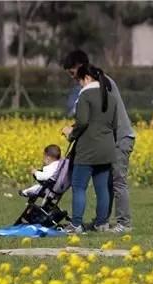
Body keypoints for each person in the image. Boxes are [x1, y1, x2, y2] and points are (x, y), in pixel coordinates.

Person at [62, 50, 135, 233]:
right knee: (105, 184)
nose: (73, 78)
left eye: (73, 73)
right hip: (109, 138)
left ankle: (123, 223)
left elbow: (95, 117)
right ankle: (101, 222)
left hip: (118, 137)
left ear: (80, 67)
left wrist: (74, 131)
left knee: (117, 182)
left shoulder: (100, 84)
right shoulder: (101, 81)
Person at [60, 65, 118, 234]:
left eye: (79, 80)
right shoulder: (110, 96)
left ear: (86, 78)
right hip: (106, 148)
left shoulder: (85, 95)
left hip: (87, 149)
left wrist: (70, 133)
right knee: (102, 189)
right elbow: (114, 125)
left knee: (79, 187)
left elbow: (83, 121)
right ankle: (102, 223)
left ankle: (76, 224)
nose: (79, 84)